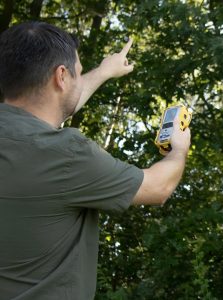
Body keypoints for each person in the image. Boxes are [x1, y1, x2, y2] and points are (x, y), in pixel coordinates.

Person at [0, 22, 190, 299]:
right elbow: (158, 188)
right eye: (78, 73)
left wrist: (103, 71)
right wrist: (178, 149)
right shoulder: (66, 154)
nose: (80, 79)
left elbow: (51, 108)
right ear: (61, 77)